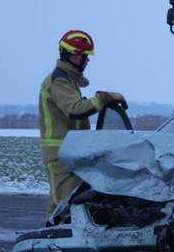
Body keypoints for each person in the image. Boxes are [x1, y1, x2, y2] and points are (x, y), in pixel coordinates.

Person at [38, 30, 127, 212]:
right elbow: (75, 109)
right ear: (66, 54)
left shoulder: (68, 81)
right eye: (80, 56)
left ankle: (49, 238)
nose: (85, 61)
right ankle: (53, 238)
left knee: (60, 206)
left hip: (70, 151)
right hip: (60, 154)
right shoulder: (59, 81)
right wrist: (104, 98)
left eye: (86, 57)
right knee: (65, 207)